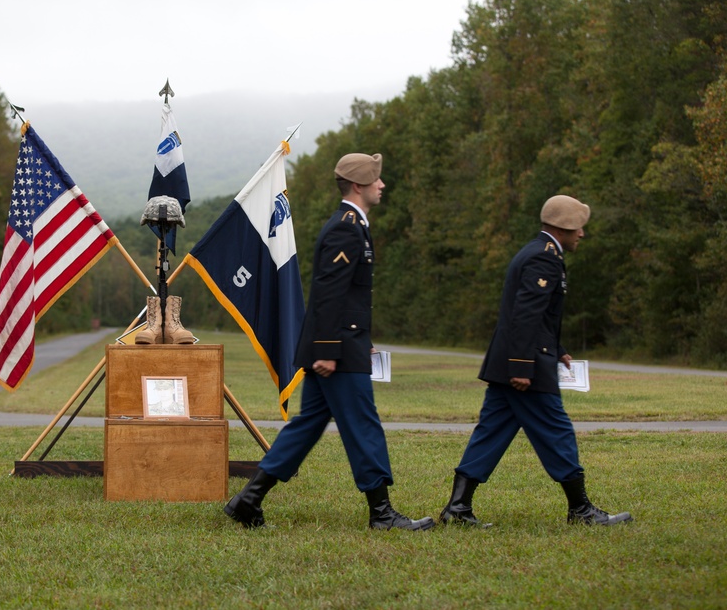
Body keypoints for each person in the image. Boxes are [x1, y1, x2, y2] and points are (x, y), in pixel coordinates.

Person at [224, 153, 434, 531]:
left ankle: (248, 499)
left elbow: (348, 297)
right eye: (376, 180)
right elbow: (328, 293)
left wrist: (358, 339)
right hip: (334, 350)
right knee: (363, 425)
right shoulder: (346, 228)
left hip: (341, 343)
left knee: (307, 426)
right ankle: (382, 513)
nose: (382, 185)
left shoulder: (354, 226)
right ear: (358, 185)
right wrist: (328, 349)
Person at [439, 195, 632, 527]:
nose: (582, 234)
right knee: (557, 432)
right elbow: (524, 316)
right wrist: (521, 366)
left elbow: (539, 316)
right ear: (564, 227)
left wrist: (557, 349)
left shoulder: (539, 253)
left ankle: (458, 508)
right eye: (579, 228)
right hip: (523, 366)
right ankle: (581, 510)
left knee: (491, 433)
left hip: (516, 361)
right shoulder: (544, 259)